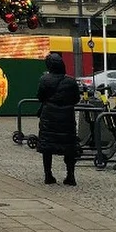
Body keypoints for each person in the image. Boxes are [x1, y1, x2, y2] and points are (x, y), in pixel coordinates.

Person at [37, 52, 80, 186]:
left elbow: (40, 96)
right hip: (67, 117)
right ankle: (70, 175)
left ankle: (48, 175)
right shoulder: (71, 81)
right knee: (69, 146)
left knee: (47, 147)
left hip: (49, 116)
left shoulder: (44, 80)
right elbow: (76, 99)